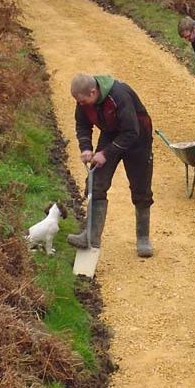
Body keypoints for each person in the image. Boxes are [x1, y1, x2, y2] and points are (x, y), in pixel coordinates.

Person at [67, 73, 154, 258]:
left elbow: (131, 132)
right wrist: (86, 148)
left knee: (141, 188)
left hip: (138, 137)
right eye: (78, 102)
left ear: (93, 92)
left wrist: (105, 153)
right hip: (111, 133)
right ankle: (91, 237)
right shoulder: (83, 100)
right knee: (95, 181)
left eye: (82, 101)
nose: (80, 104)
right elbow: (82, 125)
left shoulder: (119, 96)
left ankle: (143, 238)